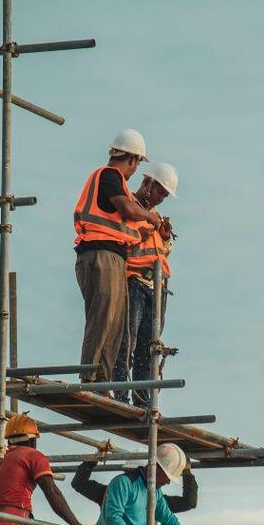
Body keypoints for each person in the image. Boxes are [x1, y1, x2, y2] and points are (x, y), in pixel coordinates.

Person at [73, 129, 163, 385]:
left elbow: (125, 224)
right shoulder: (109, 175)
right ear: (133, 159)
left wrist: (150, 227)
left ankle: (102, 381)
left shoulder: (116, 184)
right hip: (99, 254)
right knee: (102, 319)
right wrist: (149, 216)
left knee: (115, 325)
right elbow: (126, 208)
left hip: (112, 256)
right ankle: (89, 379)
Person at [111, 163, 178, 406]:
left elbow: (161, 252)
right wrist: (146, 233)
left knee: (148, 349)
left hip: (157, 287)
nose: (161, 198)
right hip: (135, 282)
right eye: (159, 191)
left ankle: (141, 401)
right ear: (147, 182)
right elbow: (121, 241)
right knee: (126, 340)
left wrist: (166, 238)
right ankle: (120, 395)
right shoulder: (128, 206)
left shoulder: (155, 217)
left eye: (164, 195)